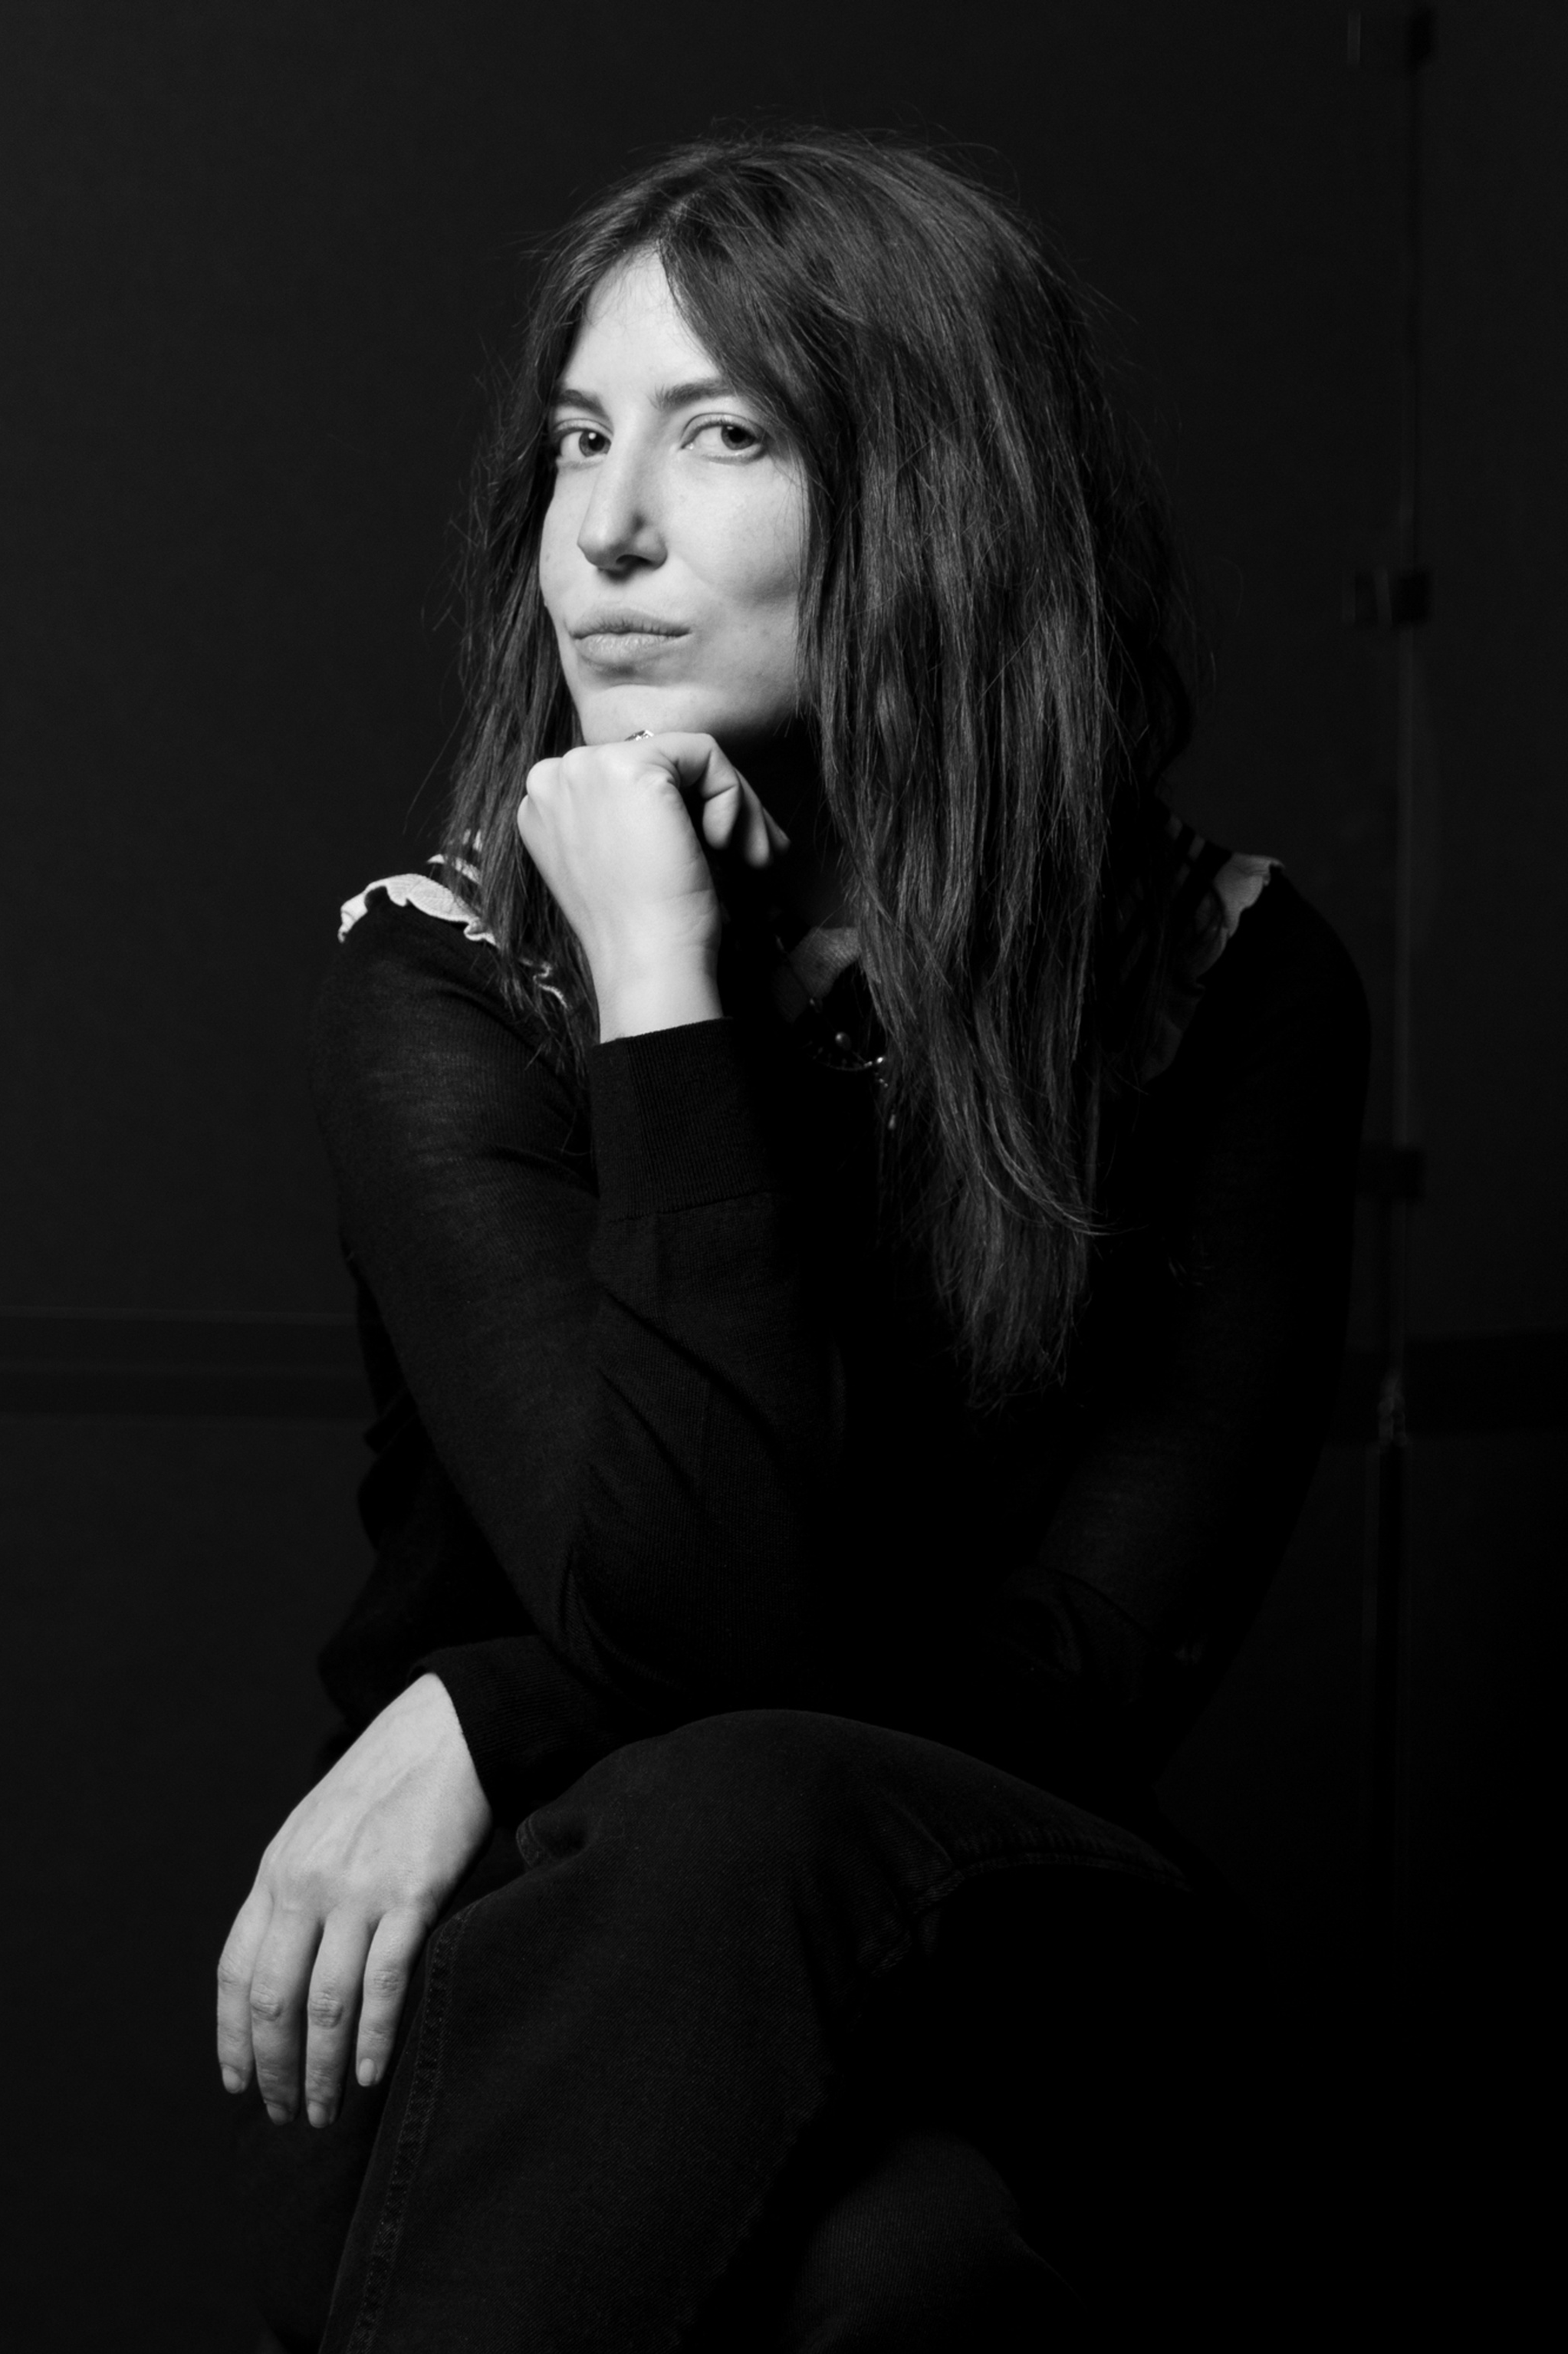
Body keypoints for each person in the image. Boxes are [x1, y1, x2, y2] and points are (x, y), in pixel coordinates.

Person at [219, 131, 1368, 2350]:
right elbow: (676, 1598)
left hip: (1013, 1930)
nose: (608, 531)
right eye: (577, 443)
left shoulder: (1222, 988)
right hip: (561, 1971)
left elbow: (1083, 1672)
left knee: (749, 1803)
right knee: (892, 2281)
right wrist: (661, 990)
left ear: (935, 499)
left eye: (722, 435)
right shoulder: (449, 980)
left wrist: (486, 1705)